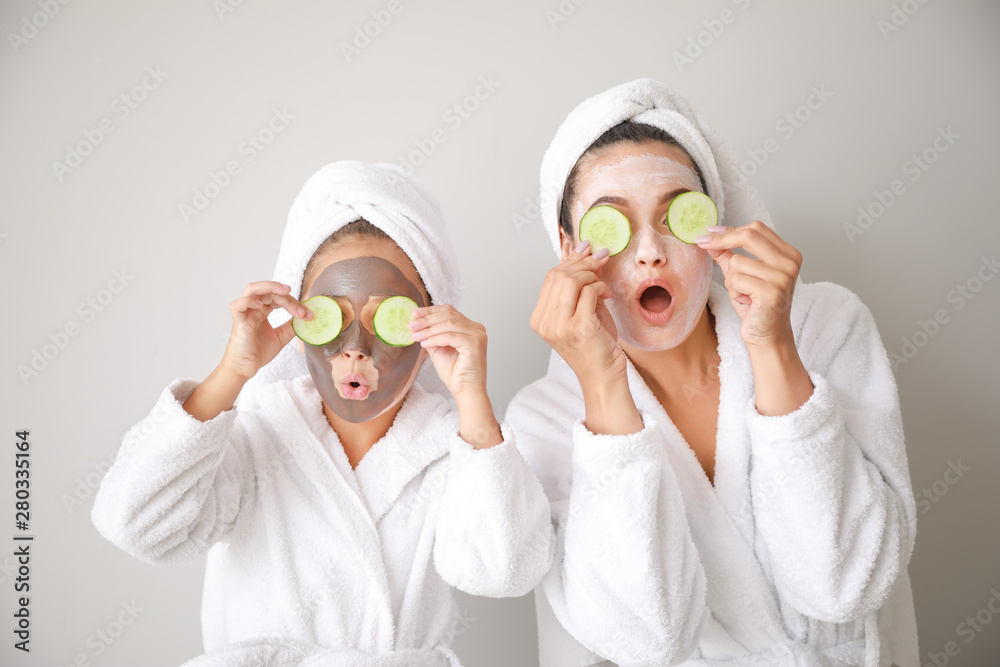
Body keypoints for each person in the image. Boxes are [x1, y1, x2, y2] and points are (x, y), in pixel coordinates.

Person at [506, 78, 918, 666]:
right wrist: (602, 388)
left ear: (717, 228)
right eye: (611, 227)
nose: (649, 250)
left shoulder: (826, 325)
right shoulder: (545, 419)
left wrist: (774, 344)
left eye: (678, 215)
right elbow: (645, 640)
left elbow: (844, 583)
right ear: (570, 249)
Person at [92, 160, 553, 666]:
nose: (355, 349)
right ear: (299, 319)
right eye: (331, 317)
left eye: (390, 319)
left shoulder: (454, 447)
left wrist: (472, 398)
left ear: (428, 329)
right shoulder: (258, 434)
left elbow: (504, 571)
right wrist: (233, 371)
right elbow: (135, 524)